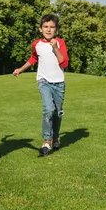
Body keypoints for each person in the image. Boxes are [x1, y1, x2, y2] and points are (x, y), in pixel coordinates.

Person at [12, 14, 69, 157]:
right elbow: (33, 58)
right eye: (45, 27)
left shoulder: (60, 43)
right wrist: (20, 69)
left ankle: (55, 138)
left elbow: (64, 63)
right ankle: (46, 141)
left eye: (52, 27)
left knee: (58, 112)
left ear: (56, 30)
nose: (48, 30)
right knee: (48, 109)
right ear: (40, 29)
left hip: (59, 83)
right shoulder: (36, 44)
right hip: (43, 81)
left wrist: (55, 47)